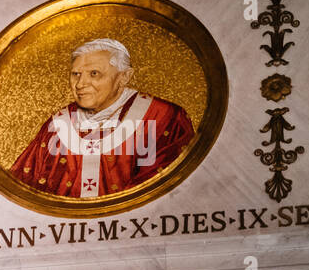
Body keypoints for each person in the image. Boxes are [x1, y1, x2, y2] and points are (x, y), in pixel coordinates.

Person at [10, 39, 194, 197]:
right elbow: (22, 186)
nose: (80, 84)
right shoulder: (57, 125)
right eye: (76, 74)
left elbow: (168, 190)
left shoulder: (160, 116)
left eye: (94, 74)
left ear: (124, 77)